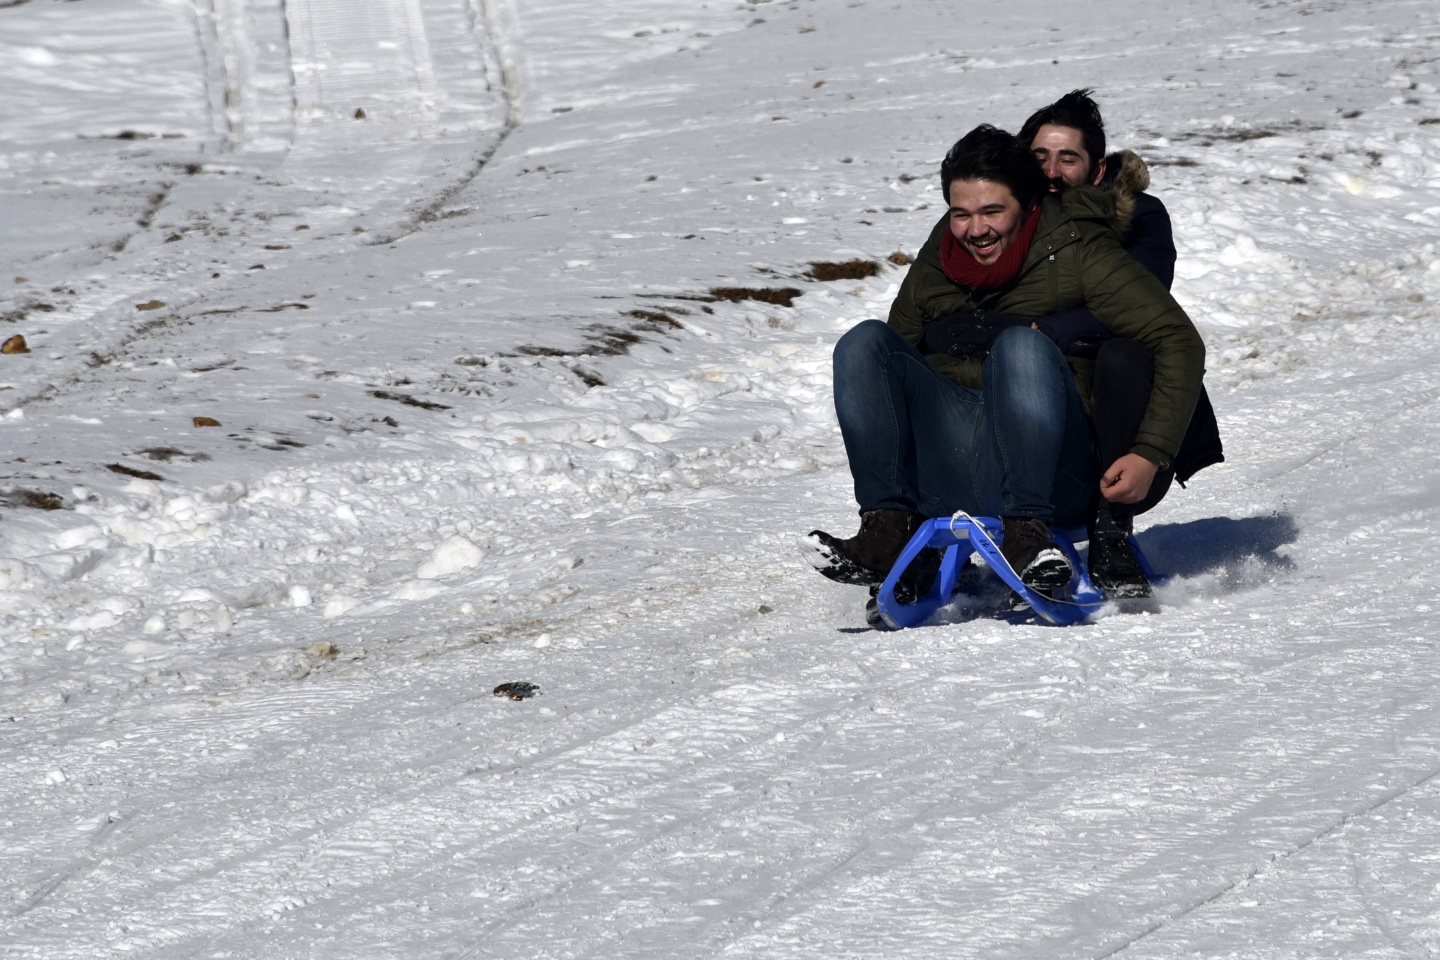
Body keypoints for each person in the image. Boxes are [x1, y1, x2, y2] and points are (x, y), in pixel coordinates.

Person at [803, 123, 1206, 607]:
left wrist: (1150, 452)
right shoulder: (940, 255)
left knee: (1020, 347)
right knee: (864, 342)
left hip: (1056, 471)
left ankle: (1027, 532)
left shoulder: (1076, 248)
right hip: (953, 460)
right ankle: (886, 529)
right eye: (962, 214)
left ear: (1027, 201)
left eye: (993, 210)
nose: (976, 229)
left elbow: (1178, 340)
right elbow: (894, 363)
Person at [1016, 89, 1223, 596]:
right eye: (1039, 157)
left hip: (1122, 403)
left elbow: (1140, 305)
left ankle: (1112, 530)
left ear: (1098, 169)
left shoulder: (1141, 217)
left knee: (1125, 351)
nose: (1051, 171)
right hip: (1037, 387)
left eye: (1068, 158)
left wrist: (1048, 330)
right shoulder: (1005, 221)